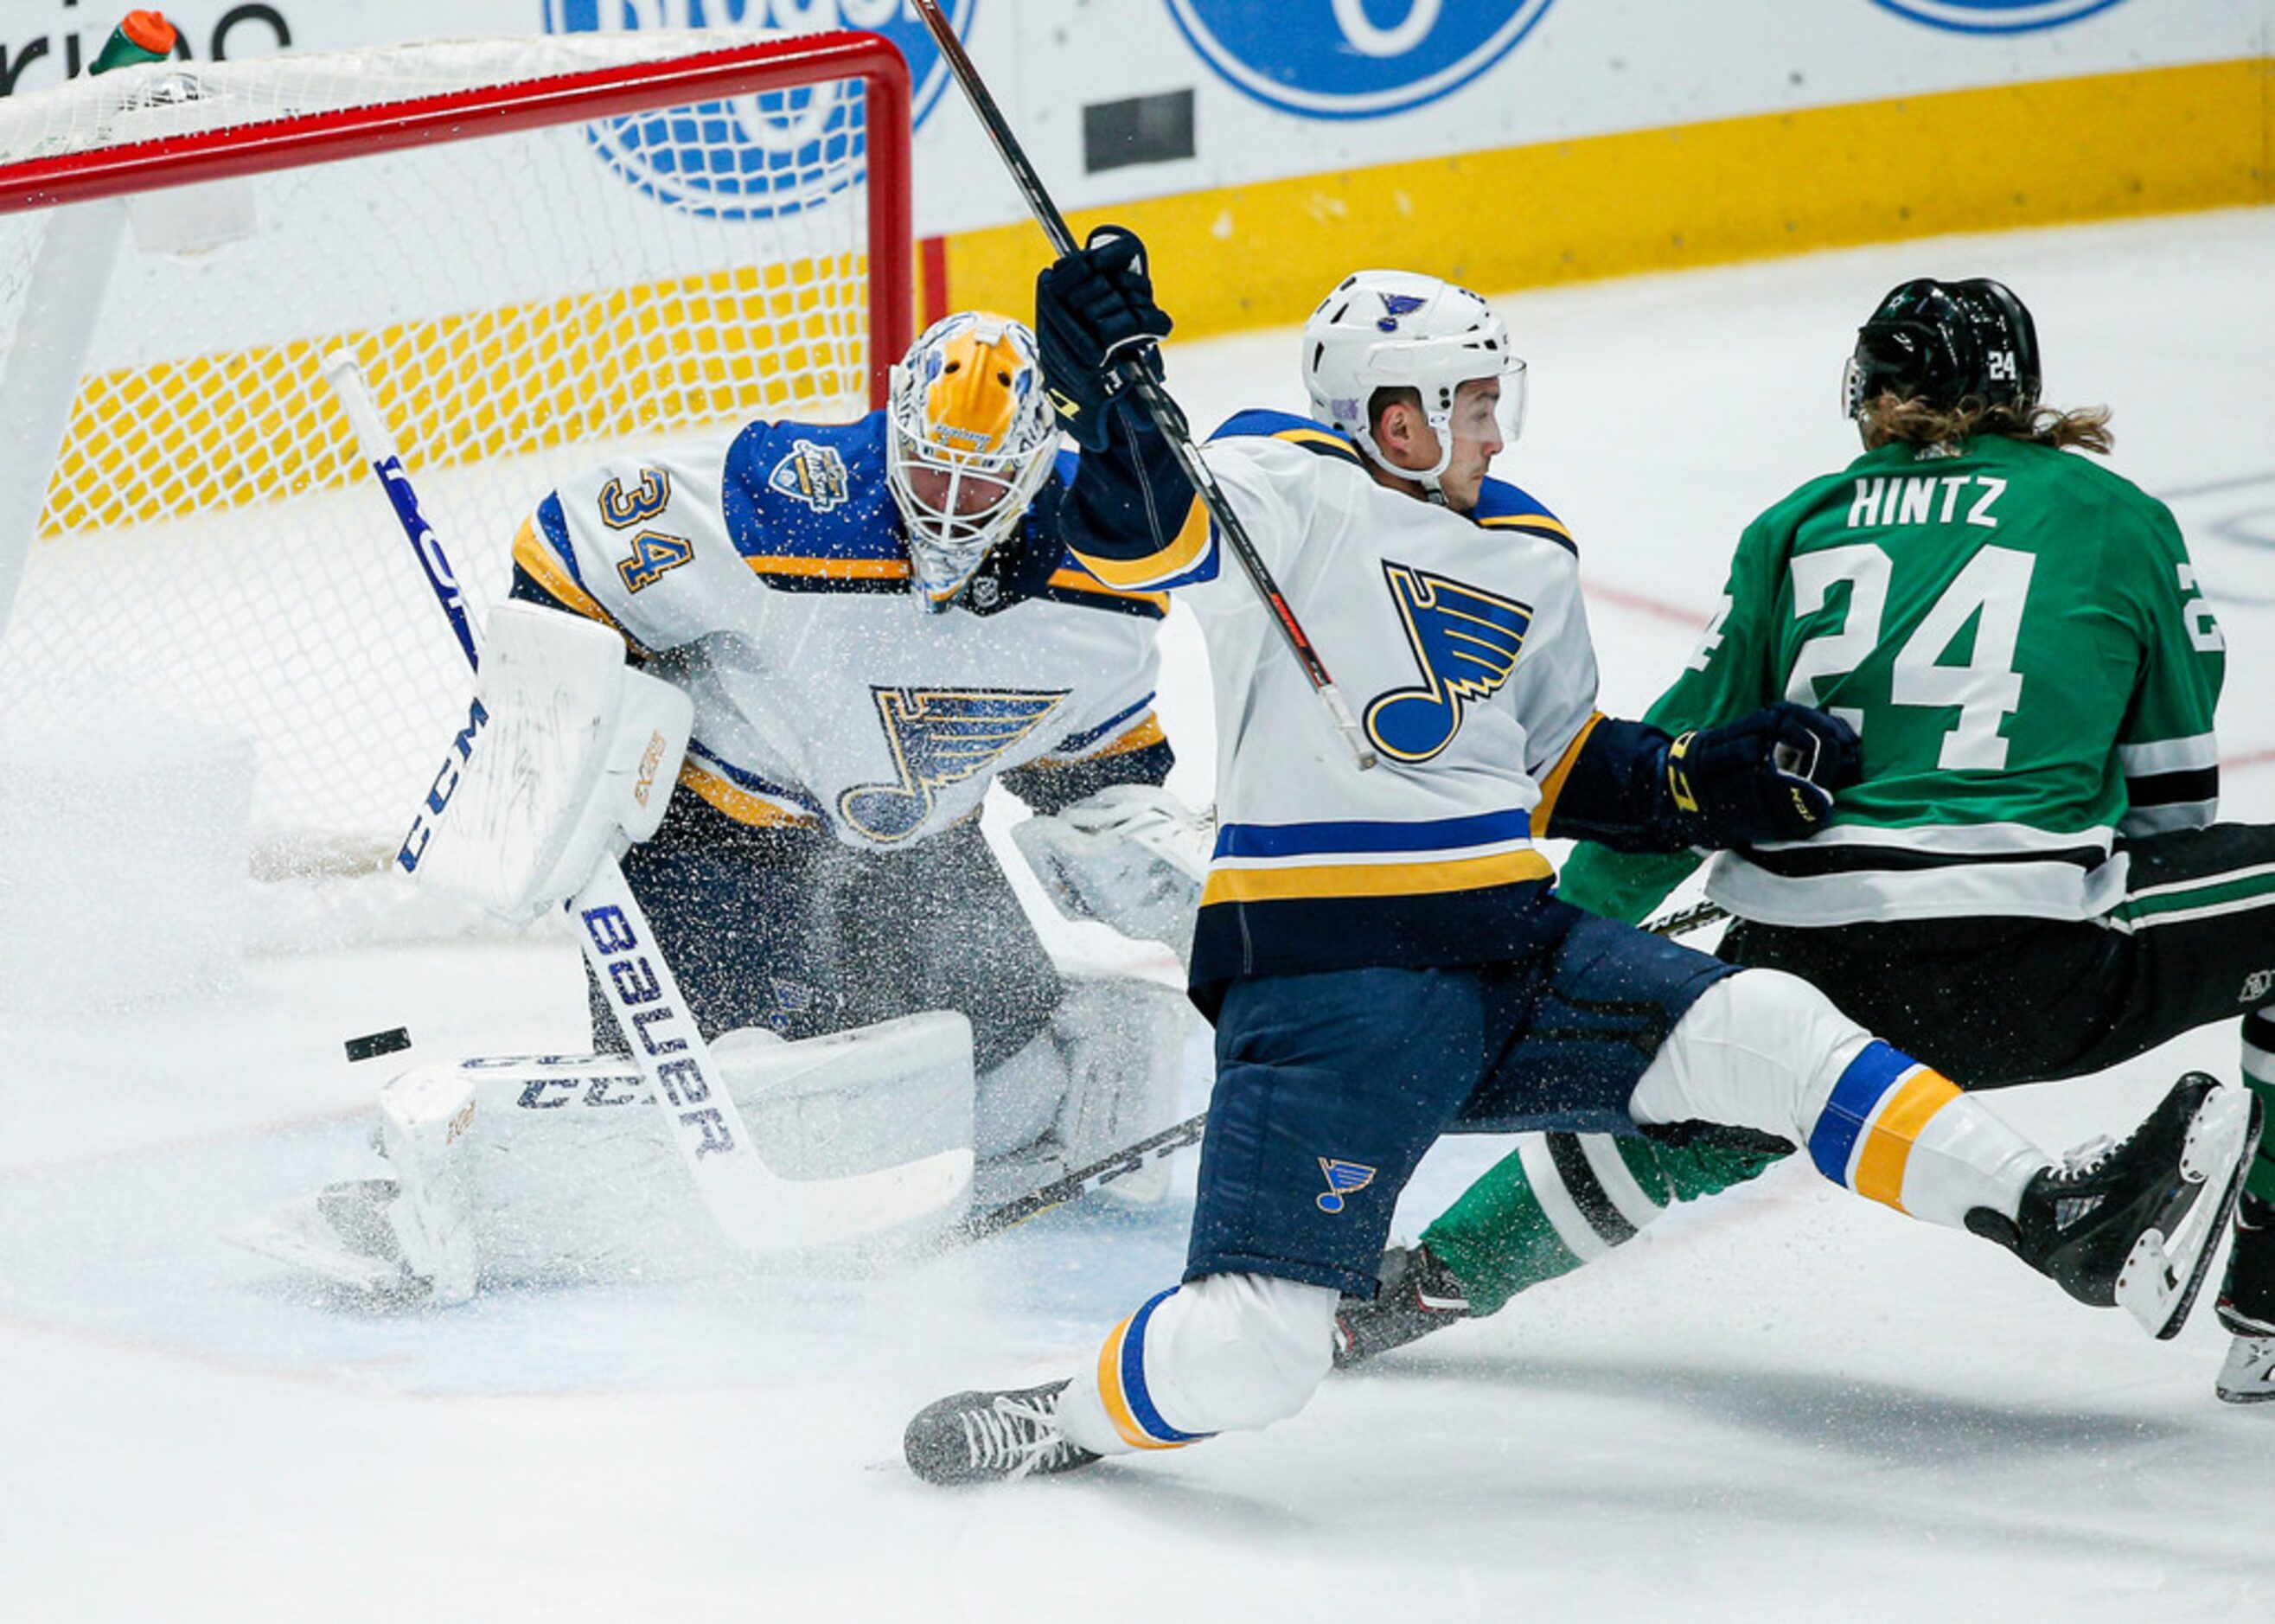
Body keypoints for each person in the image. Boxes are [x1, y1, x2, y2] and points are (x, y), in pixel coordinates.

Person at [897, 246, 2259, 1485]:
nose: (1498, 426)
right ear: (1393, 417)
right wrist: (1106, 398)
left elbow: (1562, 763)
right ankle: (1058, 1414)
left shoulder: (1527, 548)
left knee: (1769, 1023)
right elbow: (1136, 532)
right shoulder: (1277, 484)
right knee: (1259, 1348)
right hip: (1336, 983)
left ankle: (2050, 1213)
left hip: (1513, 947)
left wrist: (1696, 781)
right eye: (1471, 403)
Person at [1332, 277, 2275, 1408]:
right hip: (2039, 965)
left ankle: (1422, 1281)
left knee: (1699, 1086)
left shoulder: (1792, 525)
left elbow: (1667, 779)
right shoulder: (2108, 512)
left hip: (1806, 960)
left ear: (1873, 395)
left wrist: (1554, 951)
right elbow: (2168, 806)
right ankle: (2264, 1302)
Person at [259, 311, 1210, 1299]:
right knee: (716, 1114)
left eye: (982, 484)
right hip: (715, 843)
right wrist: (560, 711)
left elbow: (1090, 746)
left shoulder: (1104, 561)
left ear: (1034, 468)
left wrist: (1133, 836)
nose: (951, 507)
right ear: (892, 427)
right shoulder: (791, 501)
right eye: (930, 470)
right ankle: (443, 1198)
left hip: (917, 857)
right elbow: (571, 538)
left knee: (1010, 1092)